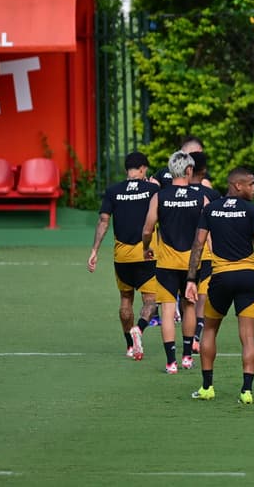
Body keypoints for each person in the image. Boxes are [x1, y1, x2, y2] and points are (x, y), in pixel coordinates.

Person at [186, 167, 254, 404]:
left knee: (210, 330)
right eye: (251, 184)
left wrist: (191, 279)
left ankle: (207, 387)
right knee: (248, 336)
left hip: (221, 279)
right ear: (237, 185)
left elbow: (198, 244)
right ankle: (246, 391)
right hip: (247, 277)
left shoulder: (210, 209)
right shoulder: (252, 210)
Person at [87, 151, 159, 360]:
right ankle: (140, 329)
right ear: (143, 168)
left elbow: (103, 221)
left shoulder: (113, 191)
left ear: (127, 170)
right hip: (147, 254)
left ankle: (129, 345)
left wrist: (94, 251)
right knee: (150, 301)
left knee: (125, 299)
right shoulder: (153, 189)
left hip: (122, 257)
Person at [142, 151, 208, 374]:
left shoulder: (159, 196)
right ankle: (187, 356)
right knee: (189, 305)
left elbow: (147, 229)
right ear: (189, 170)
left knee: (168, 311)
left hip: (166, 263)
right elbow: (208, 231)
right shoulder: (201, 197)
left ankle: (171, 362)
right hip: (192, 265)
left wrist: (145, 247)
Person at [188, 152, 221, 352]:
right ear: (204, 170)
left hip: (182, 254)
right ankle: (196, 337)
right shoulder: (212, 195)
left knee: (185, 300)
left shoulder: (171, 192)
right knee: (202, 297)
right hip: (206, 254)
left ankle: (184, 339)